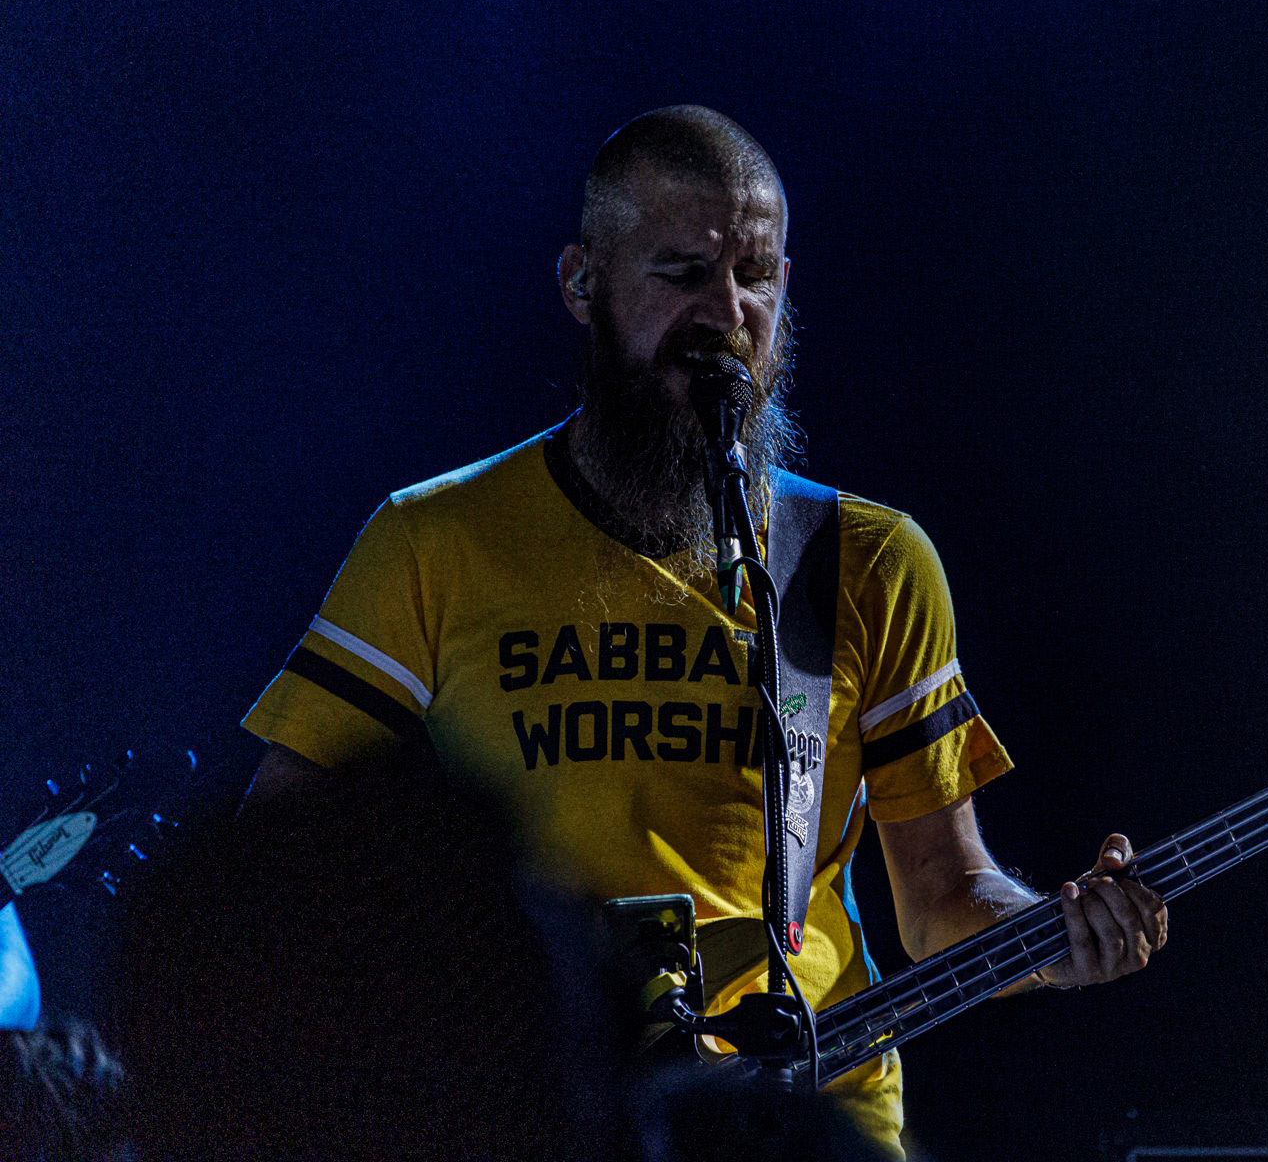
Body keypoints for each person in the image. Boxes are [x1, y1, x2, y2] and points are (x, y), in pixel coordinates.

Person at [241, 105, 1167, 1156]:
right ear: (581, 283)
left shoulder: (863, 557)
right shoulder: (433, 541)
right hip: (541, 1113)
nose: (727, 312)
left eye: (757, 276)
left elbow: (944, 894)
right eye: (680, 272)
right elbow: (275, 861)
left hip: (806, 1121)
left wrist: (1056, 934)